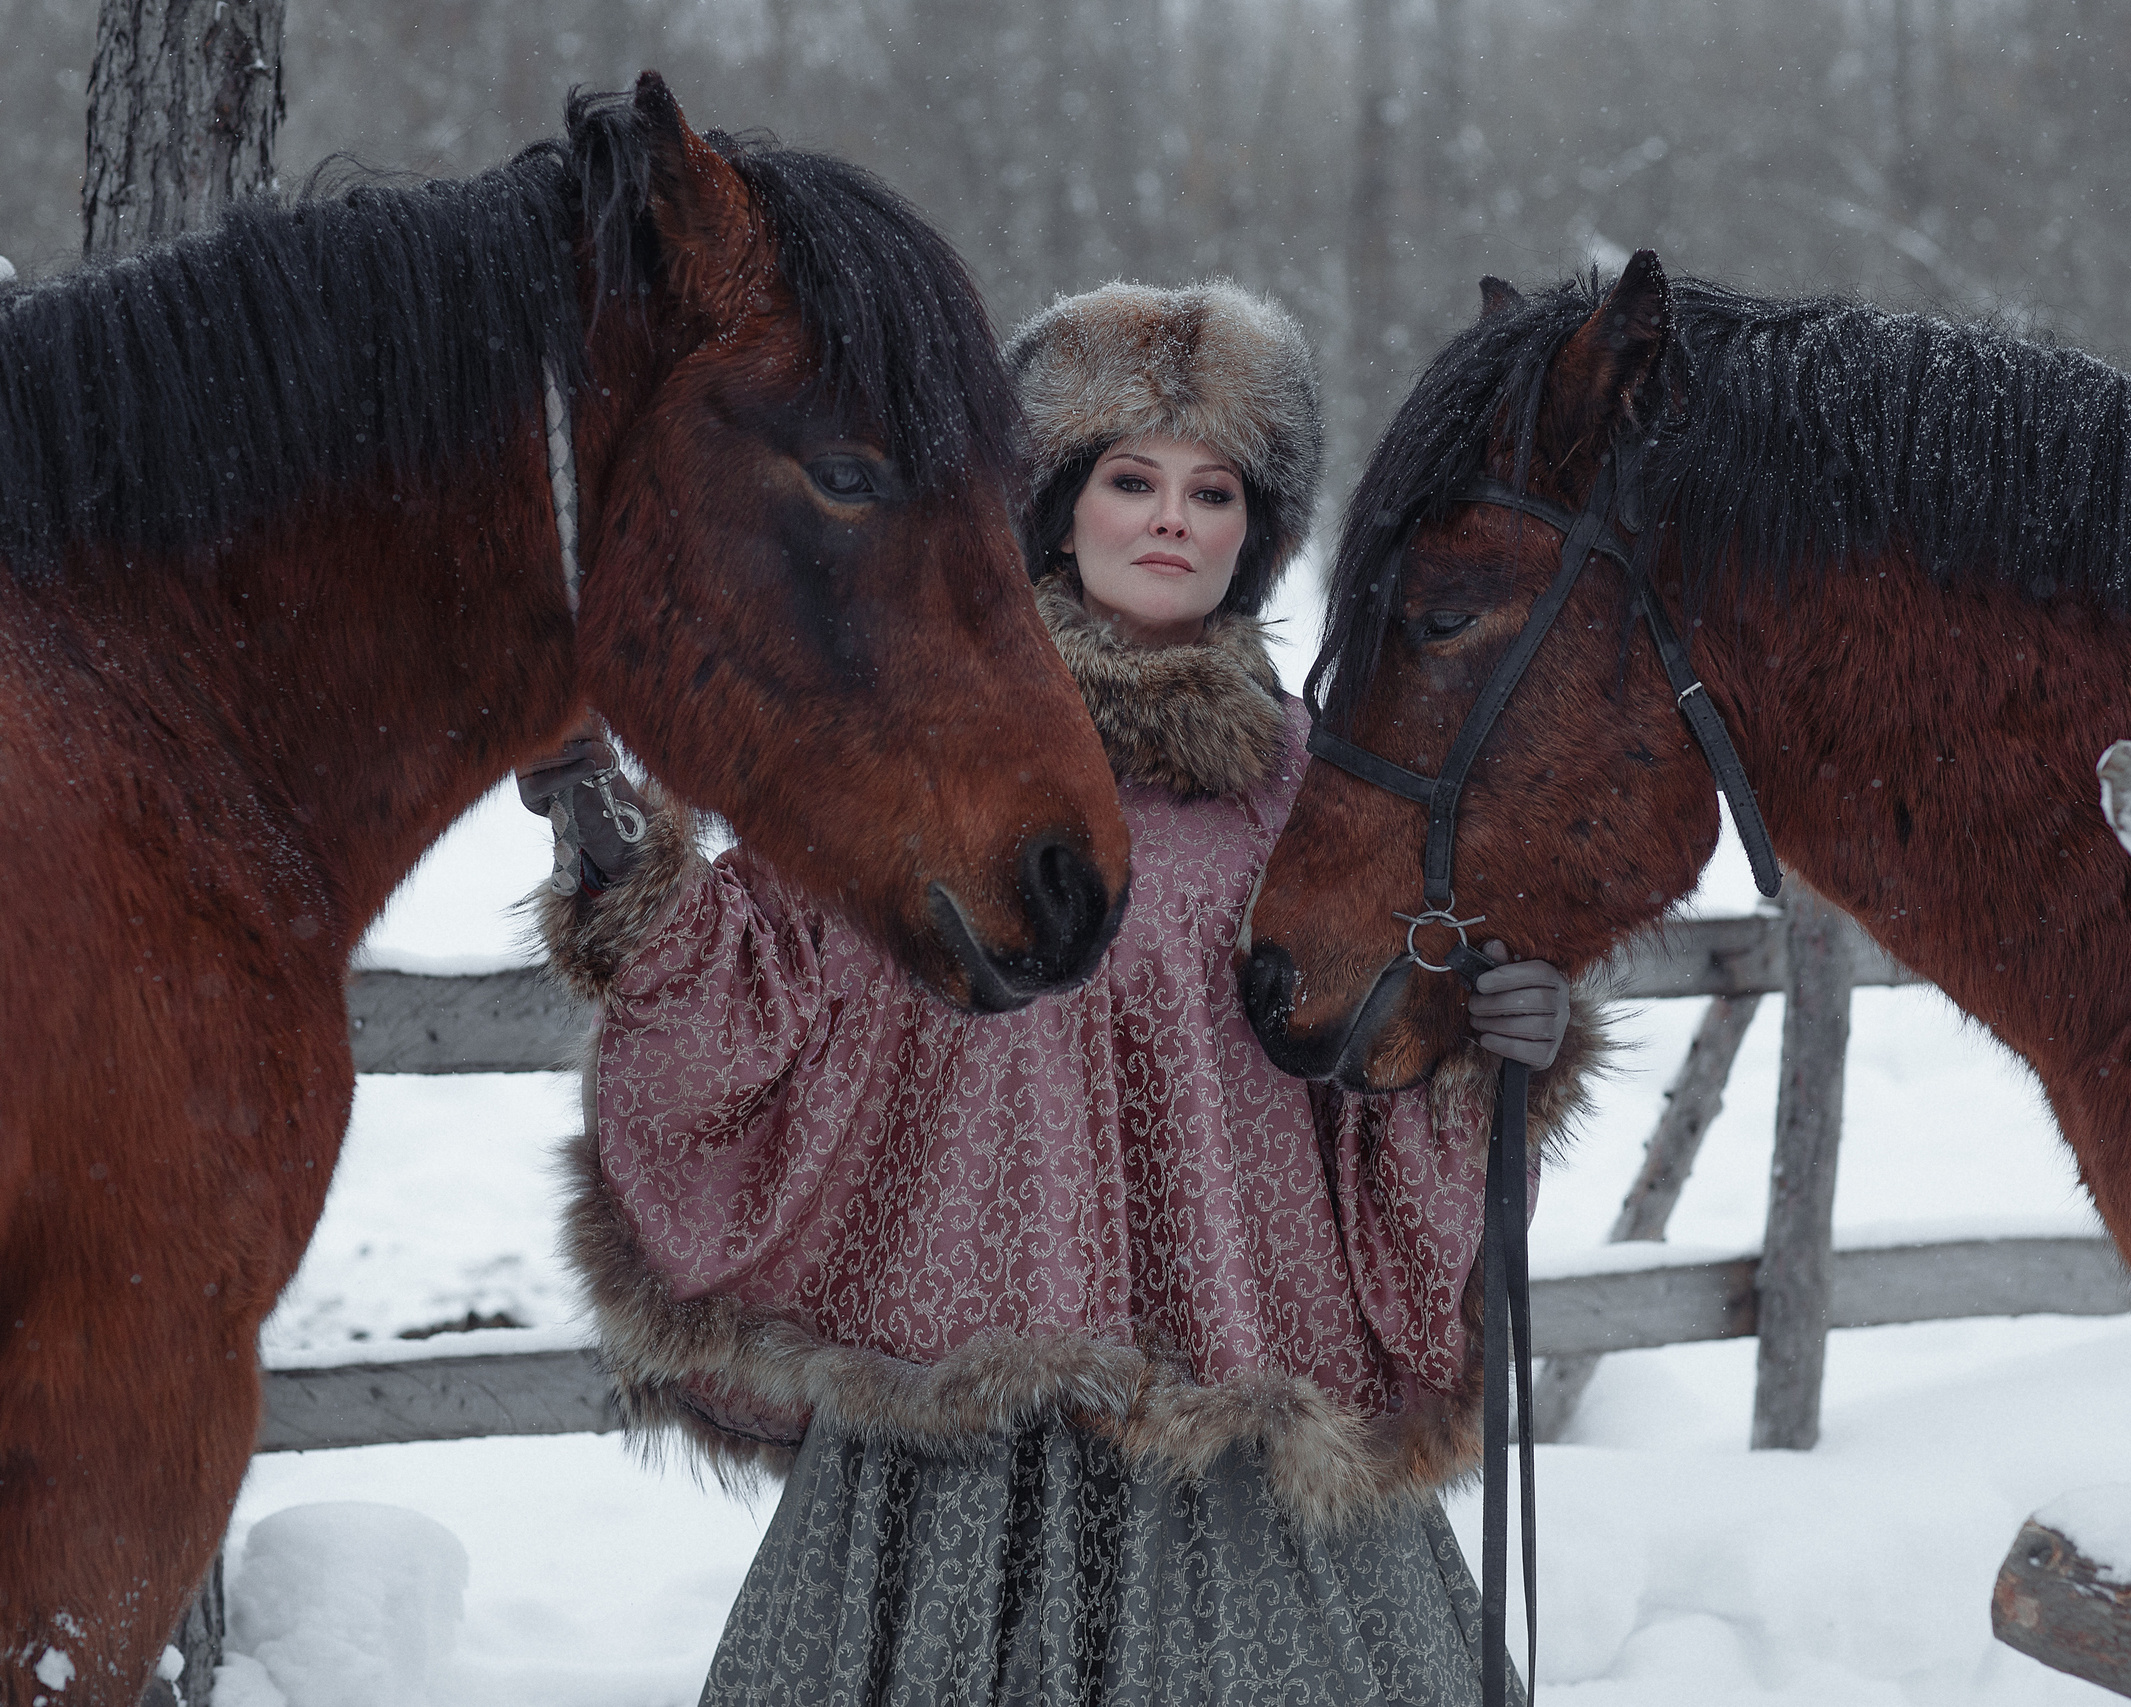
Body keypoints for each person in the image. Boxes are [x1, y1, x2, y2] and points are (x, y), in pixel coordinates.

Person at [516, 279, 1605, 1706]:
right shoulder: (927, 761)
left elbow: (1385, 1086)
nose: (1172, 519)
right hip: (951, 1437)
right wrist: (617, 859)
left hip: (1245, 1427)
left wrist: (1483, 1048)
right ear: (1055, 505)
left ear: (1256, 529)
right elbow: (759, 976)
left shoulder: (1328, 797)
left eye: (1214, 491)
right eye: (1131, 479)